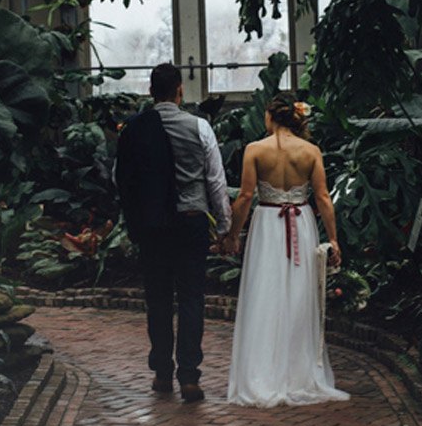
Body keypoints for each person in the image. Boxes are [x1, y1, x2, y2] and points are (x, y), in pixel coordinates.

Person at [115, 63, 231, 403]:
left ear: (151, 91)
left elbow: (119, 178)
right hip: (192, 221)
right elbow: (215, 180)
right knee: (192, 297)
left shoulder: (134, 130)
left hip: (154, 226)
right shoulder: (199, 127)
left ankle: (163, 373)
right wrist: (224, 226)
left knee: (159, 299)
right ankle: (190, 377)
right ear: (179, 90)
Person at [225, 95, 350, 407]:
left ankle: (262, 373)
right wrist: (333, 239)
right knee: (298, 293)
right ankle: (298, 373)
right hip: (302, 223)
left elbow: (244, 197)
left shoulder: (255, 150)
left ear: (270, 116)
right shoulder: (310, 151)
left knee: (264, 293)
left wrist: (232, 234)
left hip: (267, 223)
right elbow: (322, 197)